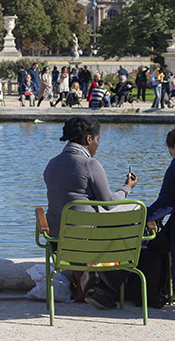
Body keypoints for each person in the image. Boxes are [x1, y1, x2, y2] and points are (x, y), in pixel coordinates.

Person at [43, 116, 137, 310]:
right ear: (88, 139)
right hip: (87, 242)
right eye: (97, 140)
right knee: (135, 227)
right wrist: (127, 187)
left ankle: (82, 278)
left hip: (58, 242)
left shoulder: (51, 164)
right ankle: (103, 288)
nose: (97, 145)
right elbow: (110, 203)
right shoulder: (90, 164)